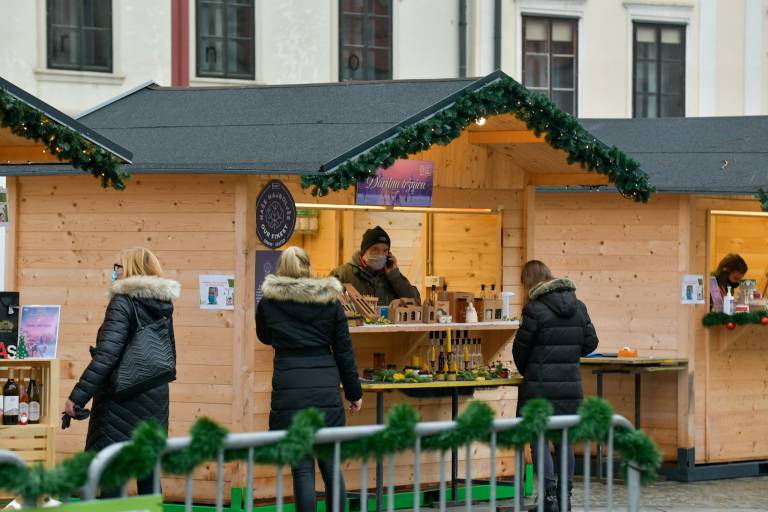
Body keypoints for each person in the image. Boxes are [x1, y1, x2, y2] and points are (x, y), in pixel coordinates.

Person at [66, 247, 180, 498]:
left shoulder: (122, 301)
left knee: (114, 469)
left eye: (118, 266)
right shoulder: (163, 304)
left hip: (121, 398)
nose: (115, 272)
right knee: (148, 471)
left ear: (129, 269)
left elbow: (107, 356)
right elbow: (169, 352)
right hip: (155, 396)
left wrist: (77, 397)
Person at [257, 246, 363, 512]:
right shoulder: (330, 301)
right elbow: (344, 351)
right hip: (325, 388)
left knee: (302, 470)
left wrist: (287, 338)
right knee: (330, 467)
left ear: (282, 268)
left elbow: (264, 336)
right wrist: (354, 393)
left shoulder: (269, 302)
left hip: (290, 389)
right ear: (308, 267)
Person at [512, 260, 599, 512]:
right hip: (570, 387)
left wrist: (529, 369)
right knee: (564, 440)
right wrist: (569, 353)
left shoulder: (534, 309)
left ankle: (549, 497)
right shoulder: (578, 306)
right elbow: (591, 343)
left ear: (528, 282)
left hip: (539, 389)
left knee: (539, 438)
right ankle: (565, 497)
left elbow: (520, 351)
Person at [331, 226, 420, 306]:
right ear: (364, 251)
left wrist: (395, 277)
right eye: (375, 249)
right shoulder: (342, 274)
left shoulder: (393, 277)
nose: (380, 254)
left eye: (385, 251)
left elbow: (416, 302)